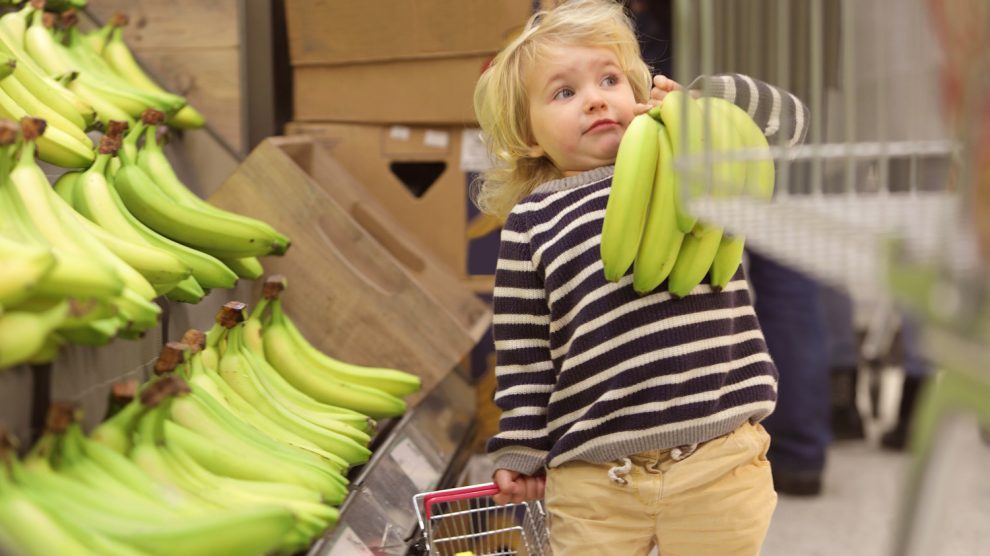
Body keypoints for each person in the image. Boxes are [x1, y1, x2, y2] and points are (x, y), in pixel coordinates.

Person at [471, 1, 809, 554]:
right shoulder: (531, 222)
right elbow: (524, 350)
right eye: (564, 92)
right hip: (594, 475)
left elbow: (791, 126)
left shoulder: (691, 164)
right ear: (528, 136)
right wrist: (522, 448)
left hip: (718, 455)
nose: (596, 98)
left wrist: (707, 104)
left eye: (610, 80)